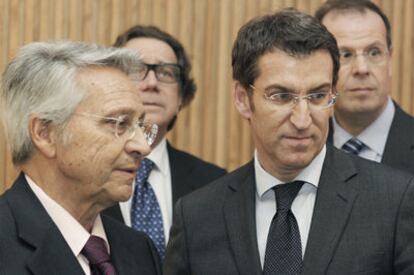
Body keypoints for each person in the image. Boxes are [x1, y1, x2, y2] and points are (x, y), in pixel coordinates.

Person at [163, 8, 414, 275]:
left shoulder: (394, 200)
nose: (303, 119)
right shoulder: (197, 216)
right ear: (242, 99)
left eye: (317, 96)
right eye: (282, 96)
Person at [0, 41, 162, 275]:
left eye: (139, 125)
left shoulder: (139, 249)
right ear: (45, 133)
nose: (143, 147)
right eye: (119, 123)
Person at [103, 25, 227, 259]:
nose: (152, 82)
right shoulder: (83, 175)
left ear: (181, 97)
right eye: (136, 69)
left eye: (166, 73)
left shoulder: (214, 183)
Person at [315, 0, 414, 174]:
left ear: (389, 59)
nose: (362, 69)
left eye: (374, 52)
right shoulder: (304, 149)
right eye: (344, 54)